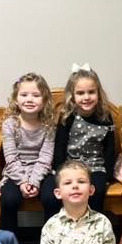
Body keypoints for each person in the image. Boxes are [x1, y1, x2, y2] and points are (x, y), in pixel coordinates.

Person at [39, 65, 116, 221]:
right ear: (72, 95)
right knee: (49, 195)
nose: (86, 97)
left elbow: (110, 149)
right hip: (68, 165)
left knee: (95, 191)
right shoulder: (67, 116)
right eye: (80, 93)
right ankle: (56, 233)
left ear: (98, 93)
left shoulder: (106, 116)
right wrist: (61, 172)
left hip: (95, 166)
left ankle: (91, 233)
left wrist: (107, 175)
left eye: (91, 92)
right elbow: (59, 147)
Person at [0, 73, 56, 234]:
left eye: (36, 95)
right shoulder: (10, 124)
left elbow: (45, 158)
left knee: (52, 198)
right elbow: (10, 157)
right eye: (24, 95)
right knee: (9, 200)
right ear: (16, 99)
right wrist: (23, 182)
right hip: (15, 172)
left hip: (42, 172)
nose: (29, 99)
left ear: (44, 100)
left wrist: (35, 181)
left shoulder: (48, 126)